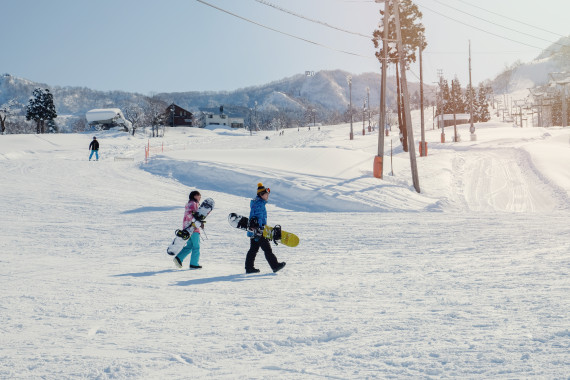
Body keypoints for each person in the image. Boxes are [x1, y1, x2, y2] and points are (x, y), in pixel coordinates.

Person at [245, 183, 286, 274]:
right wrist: (259, 229)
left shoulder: (258, 203)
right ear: (261, 194)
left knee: (253, 249)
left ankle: (249, 267)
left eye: (268, 194)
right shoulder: (259, 204)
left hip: (254, 231)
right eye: (266, 194)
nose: (267, 196)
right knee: (267, 249)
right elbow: (257, 217)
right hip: (259, 231)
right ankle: (275, 266)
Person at [173, 190, 204, 269]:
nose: (200, 197)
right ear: (195, 196)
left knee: (190, 246)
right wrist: (195, 222)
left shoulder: (191, 203)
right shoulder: (193, 203)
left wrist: (199, 221)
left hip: (189, 228)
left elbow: (193, 215)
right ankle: (194, 264)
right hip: (193, 228)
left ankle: (179, 258)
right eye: (199, 195)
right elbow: (189, 214)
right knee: (196, 246)